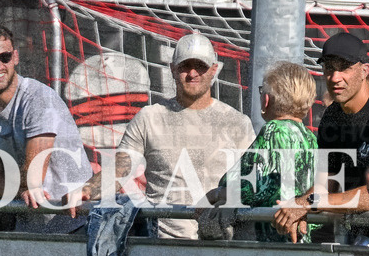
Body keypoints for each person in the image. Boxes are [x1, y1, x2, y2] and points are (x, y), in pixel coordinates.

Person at [80, 32, 255, 239]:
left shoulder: (238, 123)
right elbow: (121, 168)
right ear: (172, 69)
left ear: (214, 70)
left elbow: (253, 182)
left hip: (222, 244)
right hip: (163, 245)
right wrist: (86, 191)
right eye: (185, 66)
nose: (192, 73)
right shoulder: (149, 118)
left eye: (200, 66)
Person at [274, 32, 369, 244]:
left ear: (364, 71)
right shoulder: (332, 116)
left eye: (345, 68)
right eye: (329, 68)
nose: (335, 77)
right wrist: (299, 205)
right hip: (361, 233)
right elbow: (326, 183)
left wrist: (310, 203)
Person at [0, 25, 92, 233]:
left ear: (15, 57)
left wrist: (11, 183)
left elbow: (33, 176)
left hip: (77, 223)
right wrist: (20, 190)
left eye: (5, 57)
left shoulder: (39, 98)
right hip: (31, 227)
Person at [205, 61, 319, 242]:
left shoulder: (274, 130)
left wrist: (218, 194)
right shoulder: (310, 138)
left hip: (269, 239)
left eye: (261, 91)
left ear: (267, 99)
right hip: (301, 238)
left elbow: (257, 187)